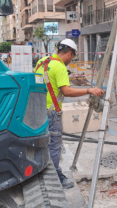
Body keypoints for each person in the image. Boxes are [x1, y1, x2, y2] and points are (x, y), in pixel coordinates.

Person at [34, 39, 104, 189]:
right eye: (72, 57)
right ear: (70, 53)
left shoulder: (42, 61)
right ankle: (55, 177)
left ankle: (41, 172)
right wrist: (88, 90)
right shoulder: (59, 67)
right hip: (52, 113)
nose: (71, 60)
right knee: (54, 145)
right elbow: (67, 91)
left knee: (42, 144)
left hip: (37, 110)